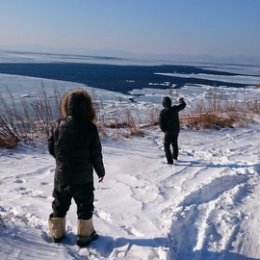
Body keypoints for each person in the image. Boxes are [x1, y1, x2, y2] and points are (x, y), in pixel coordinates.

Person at [48, 88, 105, 247]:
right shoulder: (90, 128)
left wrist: (61, 161)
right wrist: (100, 171)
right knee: (85, 206)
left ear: (67, 106)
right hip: (83, 178)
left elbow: (51, 147)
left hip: (62, 175)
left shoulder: (58, 124)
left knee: (59, 204)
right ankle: (84, 236)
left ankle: (57, 233)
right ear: (87, 107)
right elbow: (96, 155)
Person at [159, 96, 186, 164]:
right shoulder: (175, 109)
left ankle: (170, 161)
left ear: (164, 103)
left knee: (166, 146)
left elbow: (161, 124)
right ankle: (175, 157)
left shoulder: (163, 112)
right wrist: (181, 100)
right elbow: (183, 105)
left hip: (168, 131)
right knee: (174, 143)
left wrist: (165, 130)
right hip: (176, 130)